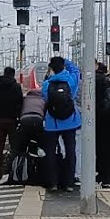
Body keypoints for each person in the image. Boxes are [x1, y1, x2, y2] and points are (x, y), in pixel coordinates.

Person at [40, 56, 82, 193]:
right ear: (63, 67)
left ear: (51, 69)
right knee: (70, 151)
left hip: (52, 122)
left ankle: (53, 183)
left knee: (50, 152)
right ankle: (69, 183)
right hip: (70, 121)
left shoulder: (47, 84)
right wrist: (65, 61)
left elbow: (45, 98)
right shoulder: (71, 80)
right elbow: (76, 70)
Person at [0, 66, 23, 180]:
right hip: (12, 121)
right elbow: (20, 103)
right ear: (13, 74)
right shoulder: (16, 86)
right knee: (14, 147)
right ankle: (11, 172)